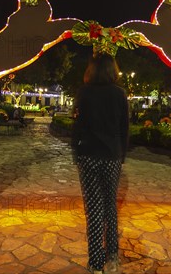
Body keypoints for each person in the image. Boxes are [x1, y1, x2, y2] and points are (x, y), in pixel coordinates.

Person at [71, 53, 129, 274]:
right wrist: (121, 155)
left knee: (93, 208)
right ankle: (112, 257)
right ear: (112, 70)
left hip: (88, 154)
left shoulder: (84, 93)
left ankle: (95, 263)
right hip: (111, 156)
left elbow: (77, 124)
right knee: (110, 206)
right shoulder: (119, 94)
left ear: (91, 70)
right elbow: (124, 128)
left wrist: (76, 149)